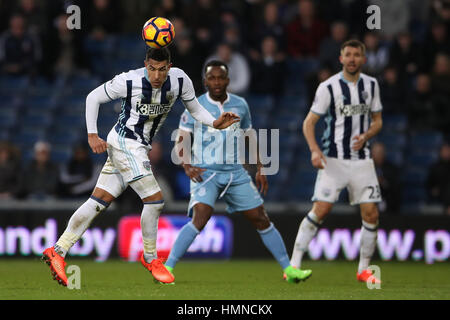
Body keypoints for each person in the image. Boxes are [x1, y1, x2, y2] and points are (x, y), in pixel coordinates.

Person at [42, 47, 240, 286]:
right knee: (155, 201)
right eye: (152, 69)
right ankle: (151, 258)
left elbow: (195, 109)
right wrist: (92, 135)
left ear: (169, 66)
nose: (157, 75)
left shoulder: (179, 80)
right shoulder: (129, 80)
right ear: (146, 64)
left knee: (98, 202)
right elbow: (92, 97)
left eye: (162, 69)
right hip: (125, 142)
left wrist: (215, 122)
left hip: (137, 147)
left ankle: (58, 250)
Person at [164, 60, 312, 284]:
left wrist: (260, 168)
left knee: (261, 218)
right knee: (200, 217)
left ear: (227, 81)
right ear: (205, 81)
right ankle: (167, 267)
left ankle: (289, 270)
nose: (216, 82)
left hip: (235, 172)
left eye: (220, 77)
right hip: (207, 172)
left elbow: (248, 137)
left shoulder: (240, 104)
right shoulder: (195, 105)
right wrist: (186, 164)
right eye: (211, 78)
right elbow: (182, 138)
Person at [289, 40, 383, 284]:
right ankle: (293, 265)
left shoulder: (371, 85)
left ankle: (363, 269)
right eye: (348, 54)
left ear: (363, 59)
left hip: (362, 160)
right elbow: (308, 122)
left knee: (371, 213)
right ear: (341, 58)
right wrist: (314, 151)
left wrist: (367, 135)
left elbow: (378, 120)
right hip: (333, 160)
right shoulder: (328, 87)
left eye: (357, 55)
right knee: (321, 209)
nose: (352, 59)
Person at [427, 143, 450, 215]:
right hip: (440, 196)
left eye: (448, 151)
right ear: (440, 152)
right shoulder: (435, 168)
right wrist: (432, 189)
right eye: (444, 151)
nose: (446, 153)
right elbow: (429, 184)